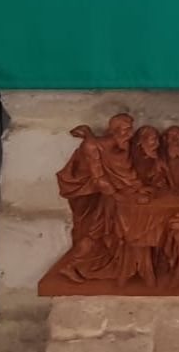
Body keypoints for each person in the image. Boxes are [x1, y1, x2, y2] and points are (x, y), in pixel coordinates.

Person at [56, 114, 143, 282]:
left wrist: (136, 187)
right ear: (113, 131)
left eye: (130, 130)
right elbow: (99, 178)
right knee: (92, 230)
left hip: (104, 193)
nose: (130, 135)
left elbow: (123, 172)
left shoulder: (118, 148)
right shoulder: (91, 146)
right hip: (84, 193)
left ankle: (101, 263)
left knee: (104, 229)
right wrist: (118, 195)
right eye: (126, 130)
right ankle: (72, 265)